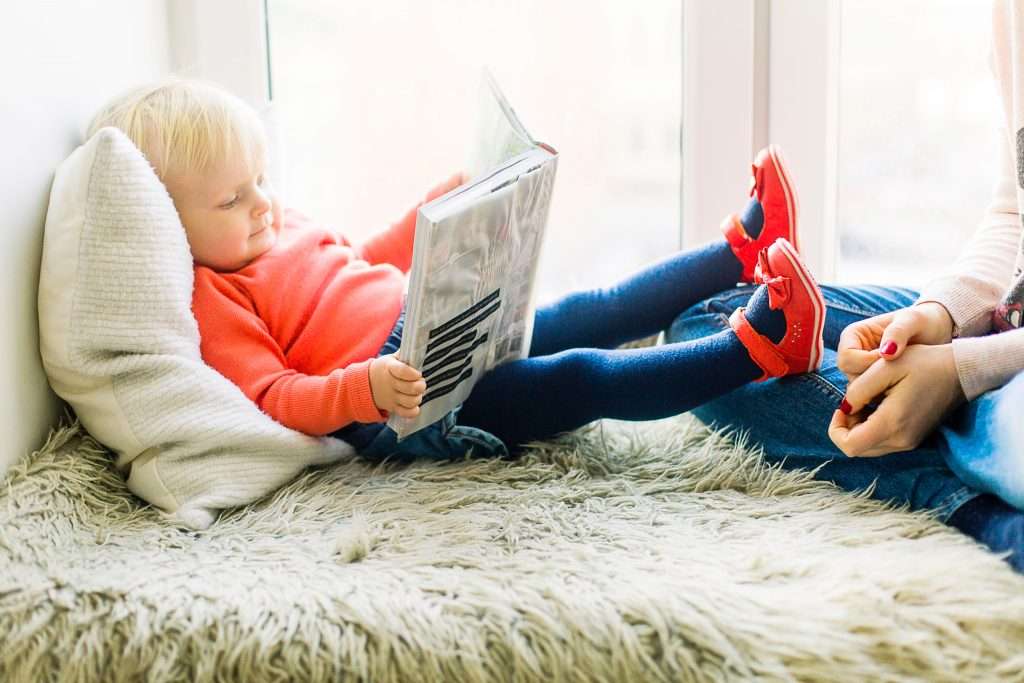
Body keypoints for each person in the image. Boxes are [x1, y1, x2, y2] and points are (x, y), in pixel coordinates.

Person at [85, 76, 825, 466]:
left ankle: (740, 248)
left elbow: (358, 259)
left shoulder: (276, 225)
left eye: (260, 179)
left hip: (442, 322)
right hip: (415, 402)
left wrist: (430, 216)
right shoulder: (212, 297)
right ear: (171, 225)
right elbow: (277, 397)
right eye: (231, 198)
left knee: (591, 306)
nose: (262, 204)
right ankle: (758, 346)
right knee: (582, 377)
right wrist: (363, 390)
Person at [668, 0, 1024, 574]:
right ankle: (957, 450)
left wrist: (961, 373)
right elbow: (1014, 211)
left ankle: (965, 502)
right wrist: (939, 316)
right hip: (1007, 319)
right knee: (713, 333)